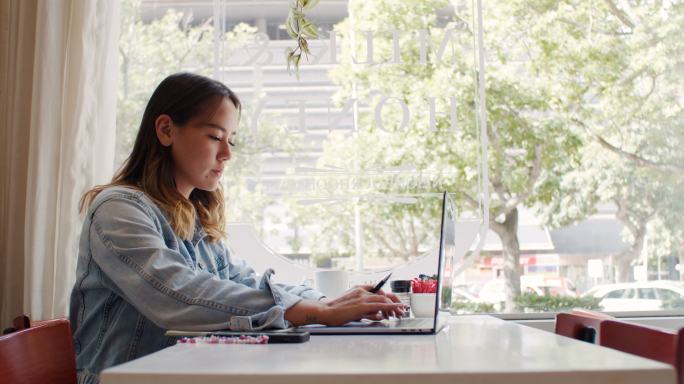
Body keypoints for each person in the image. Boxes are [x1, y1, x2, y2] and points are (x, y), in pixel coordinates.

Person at [69, 72, 405, 383]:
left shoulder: (193, 216)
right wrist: (314, 312)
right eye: (215, 136)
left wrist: (328, 302)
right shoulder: (118, 209)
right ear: (166, 130)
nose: (227, 153)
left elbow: (242, 281)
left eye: (232, 139)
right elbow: (177, 294)